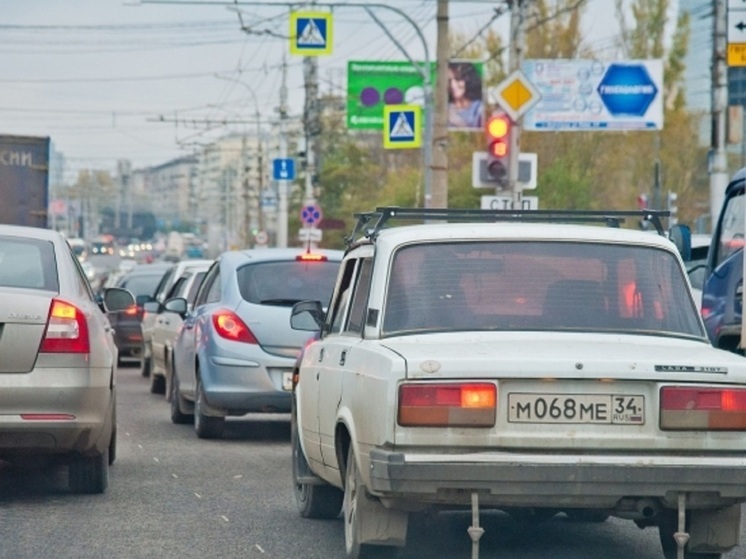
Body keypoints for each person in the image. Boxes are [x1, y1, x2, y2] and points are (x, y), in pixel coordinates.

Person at [447, 62, 484, 129]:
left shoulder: (479, 108)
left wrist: (459, 122)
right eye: (449, 81)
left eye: (458, 79)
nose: (453, 85)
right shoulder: (442, 109)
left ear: (468, 79)